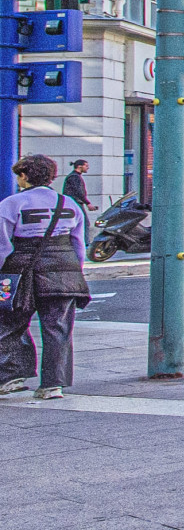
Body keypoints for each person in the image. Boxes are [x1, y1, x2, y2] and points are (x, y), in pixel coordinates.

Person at [0, 154, 88, 399]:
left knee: (8, 323)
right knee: (58, 328)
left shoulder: (12, 204)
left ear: (24, 175)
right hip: (65, 272)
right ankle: (52, 385)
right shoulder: (69, 204)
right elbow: (79, 245)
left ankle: (10, 376)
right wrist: (75, 271)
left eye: (19, 175)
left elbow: (3, 246)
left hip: (21, 273)